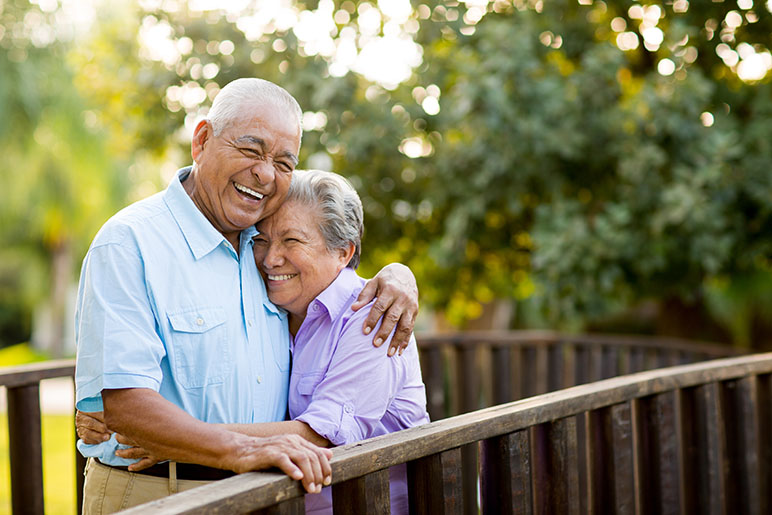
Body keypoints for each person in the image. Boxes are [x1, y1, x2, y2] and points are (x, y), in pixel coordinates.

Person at [74, 78, 419, 514]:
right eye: (252, 150)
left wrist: (398, 276)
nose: (265, 173)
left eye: (283, 162)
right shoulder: (129, 243)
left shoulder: (261, 252)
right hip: (158, 494)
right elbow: (125, 406)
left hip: (264, 494)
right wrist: (230, 448)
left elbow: (329, 268)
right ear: (201, 141)